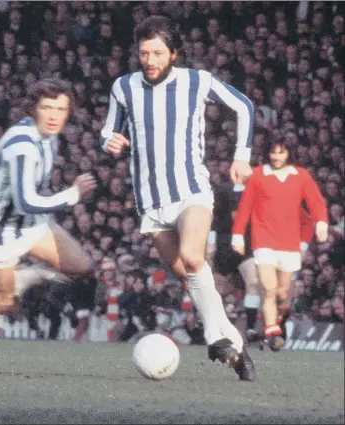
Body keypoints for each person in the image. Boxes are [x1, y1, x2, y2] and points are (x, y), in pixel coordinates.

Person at [101, 15, 256, 381]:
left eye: (157, 52)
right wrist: (108, 140)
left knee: (192, 257)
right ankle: (232, 346)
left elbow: (243, 106)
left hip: (191, 190)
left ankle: (216, 336)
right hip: (151, 204)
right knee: (191, 280)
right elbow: (109, 127)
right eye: (144, 53)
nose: (149, 60)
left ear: (174, 53)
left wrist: (242, 154)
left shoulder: (196, 81)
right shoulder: (123, 87)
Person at [0, 78, 97, 372]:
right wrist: (72, 195)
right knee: (1, 300)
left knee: (83, 268)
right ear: (33, 109)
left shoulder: (50, 137)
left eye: (61, 108)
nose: (55, 115)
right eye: (47, 107)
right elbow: (25, 202)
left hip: (29, 224)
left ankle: (25, 278)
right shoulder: (21, 144)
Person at [232, 138, 328, 352]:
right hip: (263, 239)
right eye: (273, 152)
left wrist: (321, 222)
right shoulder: (257, 175)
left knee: (283, 294)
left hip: (290, 243)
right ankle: (272, 331)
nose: (277, 157)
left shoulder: (301, 176)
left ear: (288, 154)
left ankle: (277, 320)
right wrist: (237, 235)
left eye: (281, 152)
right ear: (268, 153)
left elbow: (316, 201)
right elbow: (245, 206)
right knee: (268, 288)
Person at [209, 181, 262, 342]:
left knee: (253, 282)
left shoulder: (257, 189)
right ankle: (216, 327)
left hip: (248, 245)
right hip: (225, 245)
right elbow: (215, 217)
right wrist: (211, 244)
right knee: (218, 290)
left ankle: (251, 328)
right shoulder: (223, 190)